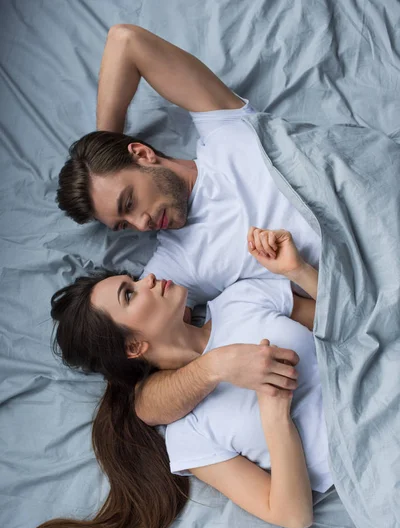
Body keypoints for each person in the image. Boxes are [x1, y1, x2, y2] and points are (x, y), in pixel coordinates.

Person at [55, 24, 323, 427]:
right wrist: (215, 367)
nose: (140, 223)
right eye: (123, 225)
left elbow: (125, 41)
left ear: (143, 153)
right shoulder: (175, 269)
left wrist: (100, 148)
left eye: (128, 202)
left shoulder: (224, 130)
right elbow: (146, 404)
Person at [25, 229, 332, 528]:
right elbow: (293, 514)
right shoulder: (188, 435)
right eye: (130, 294)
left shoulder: (241, 298)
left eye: (134, 280)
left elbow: (349, 320)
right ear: (133, 347)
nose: (150, 278)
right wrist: (275, 414)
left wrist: (298, 270)